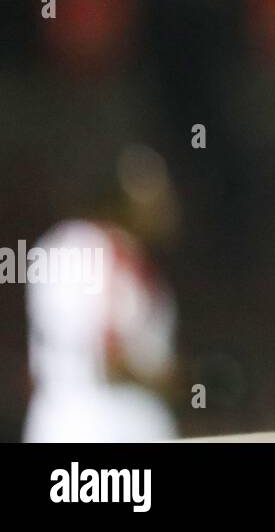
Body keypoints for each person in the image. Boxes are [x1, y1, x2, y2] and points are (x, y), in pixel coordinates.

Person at [24, 145, 180, 442]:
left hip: (134, 421)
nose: (163, 198)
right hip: (89, 421)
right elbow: (109, 358)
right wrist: (179, 381)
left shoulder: (138, 260)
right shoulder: (77, 246)